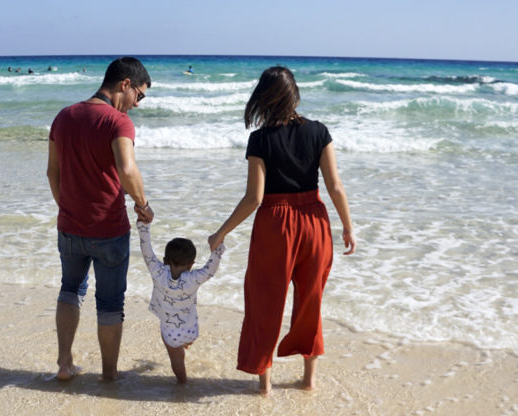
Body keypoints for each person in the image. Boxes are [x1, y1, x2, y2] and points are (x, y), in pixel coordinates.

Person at [208, 66, 356, 394]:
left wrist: (221, 233)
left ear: (263, 96)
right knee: (311, 300)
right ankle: (309, 381)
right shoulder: (319, 131)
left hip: (275, 224)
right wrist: (346, 226)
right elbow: (335, 185)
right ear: (295, 94)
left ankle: (265, 383)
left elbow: (254, 198)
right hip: (315, 223)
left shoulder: (260, 139)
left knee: (265, 301)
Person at [47, 56, 153, 381]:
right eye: (140, 95)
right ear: (125, 84)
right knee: (109, 303)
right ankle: (109, 375)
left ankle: (64, 364)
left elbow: (53, 173)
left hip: (70, 227)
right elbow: (127, 169)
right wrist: (143, 204)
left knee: (70, 290)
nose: (137, 104)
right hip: (108, 230)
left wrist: (68, 206)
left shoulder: (64, 117)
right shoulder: (118, 122)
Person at [137, 222, 225, 383]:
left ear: (164, 260)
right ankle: (185, 343)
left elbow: (146, 250)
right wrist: (218, 247)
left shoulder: (158, 271)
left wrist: (143, 227)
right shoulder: (193, 278)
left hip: (171, 334)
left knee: (176, 359)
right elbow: (210, 270)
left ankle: (182, 381)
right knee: (182, 340)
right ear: (191, 264)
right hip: (192, 330)